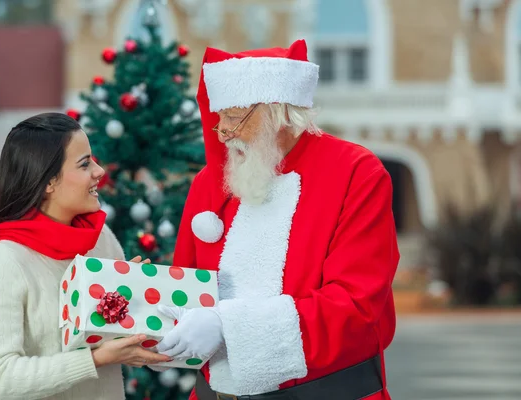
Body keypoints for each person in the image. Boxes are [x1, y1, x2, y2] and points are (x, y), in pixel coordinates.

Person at [155, 40, 399, 399]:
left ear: (278, 111)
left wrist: (229, 326)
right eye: (218, 116)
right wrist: (156, 327)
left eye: (234, 117)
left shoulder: (355, 173)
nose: (222, 132)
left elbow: (354, 305)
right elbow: (185, 284)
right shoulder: (211, 182)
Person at [0, 113, 170, 400]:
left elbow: (127, 343)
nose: (99, 171)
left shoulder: (99, 239)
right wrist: (94, 359)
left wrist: (137, 305)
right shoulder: (3, 260)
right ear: (48, 181)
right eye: (85, 163)